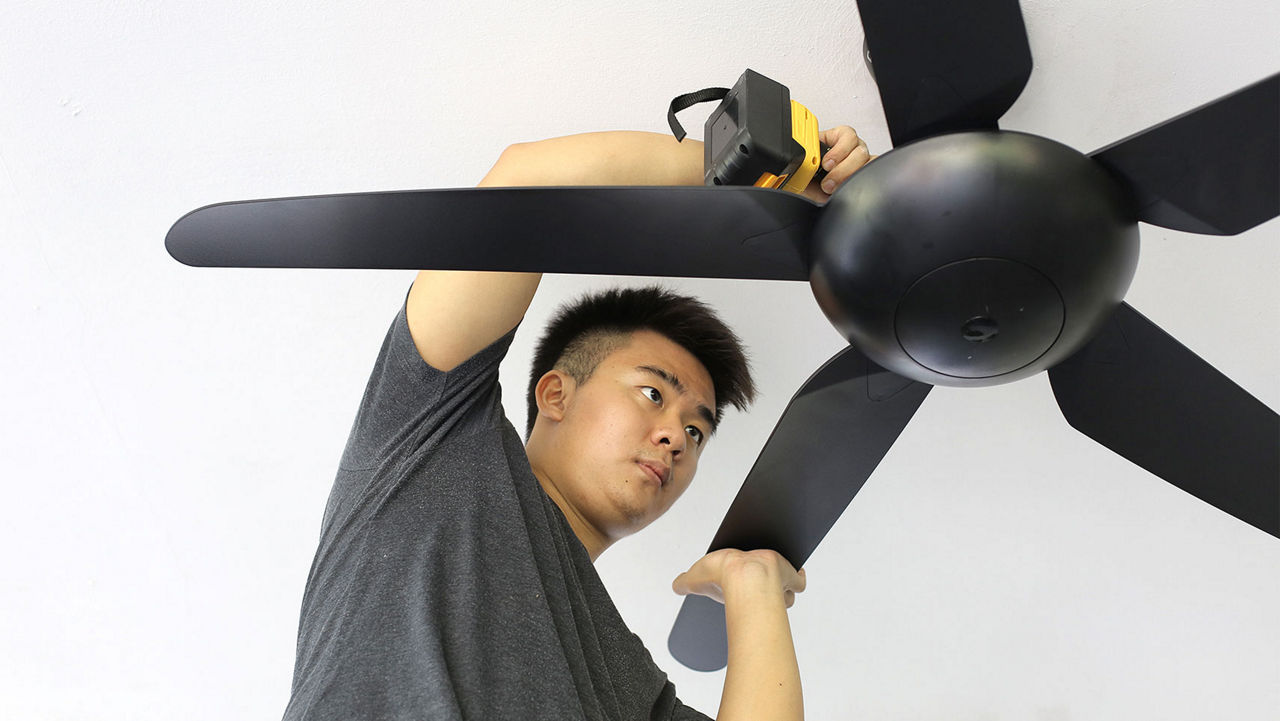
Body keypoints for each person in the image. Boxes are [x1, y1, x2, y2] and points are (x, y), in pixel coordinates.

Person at [282, 126, 874, 720]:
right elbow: (526, 184)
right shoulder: (434, 445)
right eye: (651, 392)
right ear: (556, 394)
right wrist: (764, 167)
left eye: (697, 432)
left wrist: (755, 589)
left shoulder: (635, 694)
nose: (675, 437)